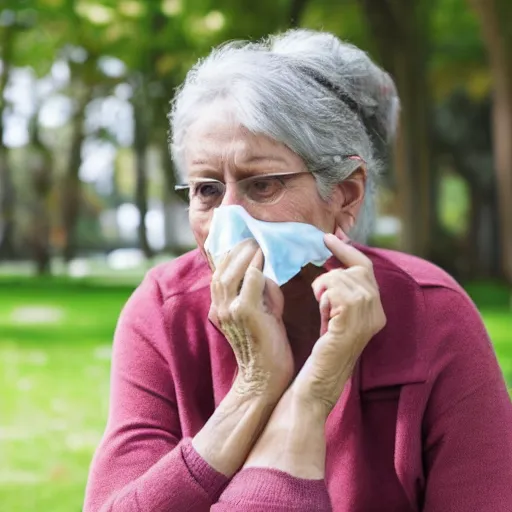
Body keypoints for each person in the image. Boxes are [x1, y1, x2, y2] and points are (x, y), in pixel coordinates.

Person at [84, 29, 512, 511]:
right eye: (206, 189)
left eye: (261, 185)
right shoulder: (163, 312)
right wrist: (254, 388)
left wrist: (315, 392)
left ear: (345, 195)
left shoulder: (431, 314)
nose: (229, 217)